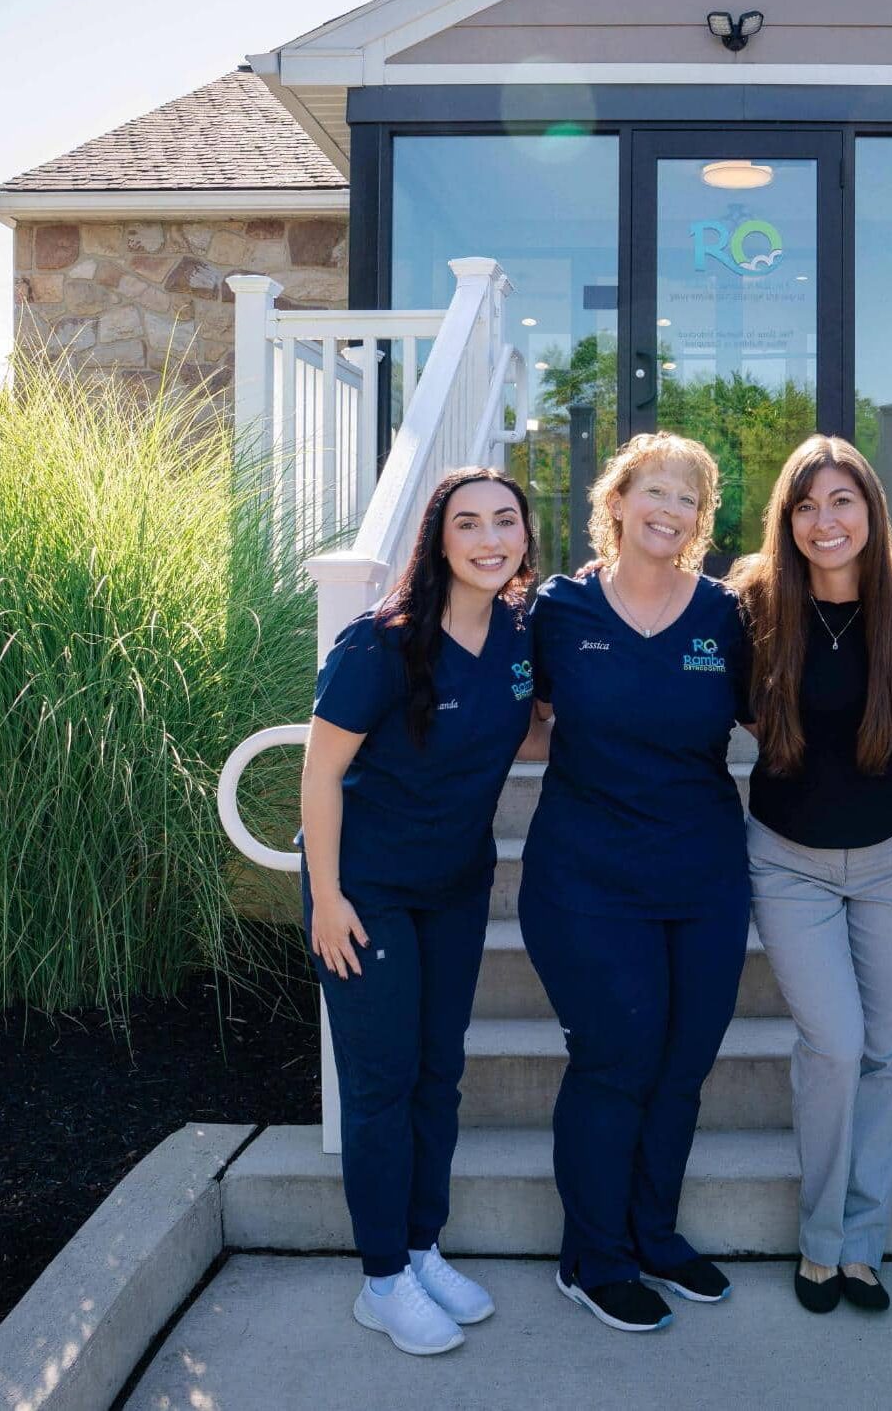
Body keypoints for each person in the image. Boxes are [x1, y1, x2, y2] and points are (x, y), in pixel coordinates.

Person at [299, 466, 548, 1356]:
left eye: (505, 521)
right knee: (381, 1081)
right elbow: (321, 774)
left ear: (524, 534)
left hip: (455, 885)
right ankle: (381, 1278)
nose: (489, 538)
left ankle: (419, 1244)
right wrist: (326, 898)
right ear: (439, 540)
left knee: (439, 1071)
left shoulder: (522, 629)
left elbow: (528, 723)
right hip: (364, 892)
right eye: (469, 523)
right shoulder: (382, 643)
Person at [518, 432, 751, 1334]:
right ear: (615, 501)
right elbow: (519, 716)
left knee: (683, 1064)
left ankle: (653, 1232)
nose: (668, 508)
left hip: (702, 874)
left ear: (700, 519)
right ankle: (594, 1255)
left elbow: (786, 717)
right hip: (586, 876)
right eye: (651, 489)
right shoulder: (559, 609)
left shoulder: (727, 614)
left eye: (687, 497)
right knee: (616, 1058)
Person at [729, 436, 892, 1315]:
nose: (826, 521)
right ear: (788, 517)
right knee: (834, 1043)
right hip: (788, 858)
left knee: (886, 1050)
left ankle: (864, 1245)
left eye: (842, 501)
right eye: (807, 505)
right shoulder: (752, 599)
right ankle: (819, 1241)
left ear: (870, 508)